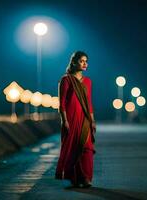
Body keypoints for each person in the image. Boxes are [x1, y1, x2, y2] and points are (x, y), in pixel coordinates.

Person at [55, 51, 96, 188]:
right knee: (74, 149)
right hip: (71, 120)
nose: (85, 63)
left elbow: (89, 102)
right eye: (82, 61)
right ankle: (75, 178)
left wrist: (92, 120)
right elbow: (62, 104)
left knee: (87, 148)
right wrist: (64, 120)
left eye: (86, 61)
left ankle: (86, 178)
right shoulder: (66, 80)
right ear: (73, 62)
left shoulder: (88, 82)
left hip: (84, 120)